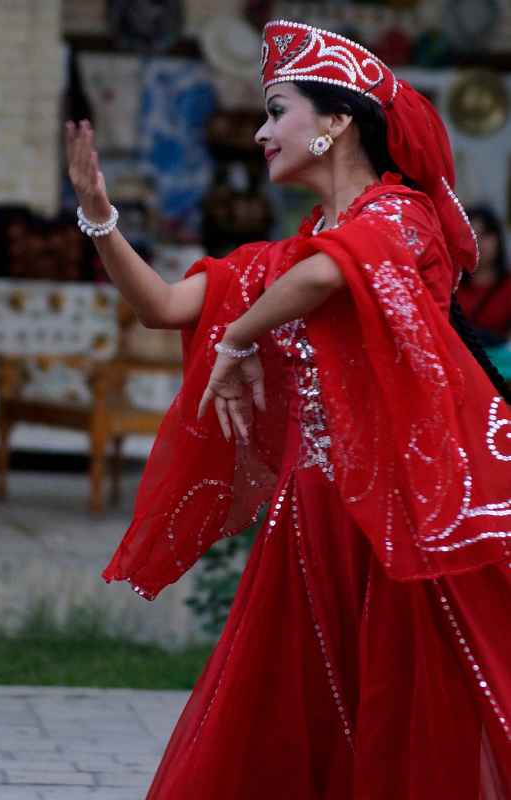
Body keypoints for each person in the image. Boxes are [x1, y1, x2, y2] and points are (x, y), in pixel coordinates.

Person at [66, 19, 511, 799]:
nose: (262, 132)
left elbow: (335, 273)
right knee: (287, 716)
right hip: (307, 521)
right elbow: (164, 306)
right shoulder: (285, 259)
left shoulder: (400, 217)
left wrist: (239, 337)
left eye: (277, 112)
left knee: (395, 717)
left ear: (336, 121)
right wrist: (99, 216)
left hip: (393, 521)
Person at [456, 205, 511, 346]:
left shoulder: (507, 286)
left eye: (485, 234)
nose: (479, 242)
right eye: (472, 234)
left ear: (498, 238)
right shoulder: (451, 284)